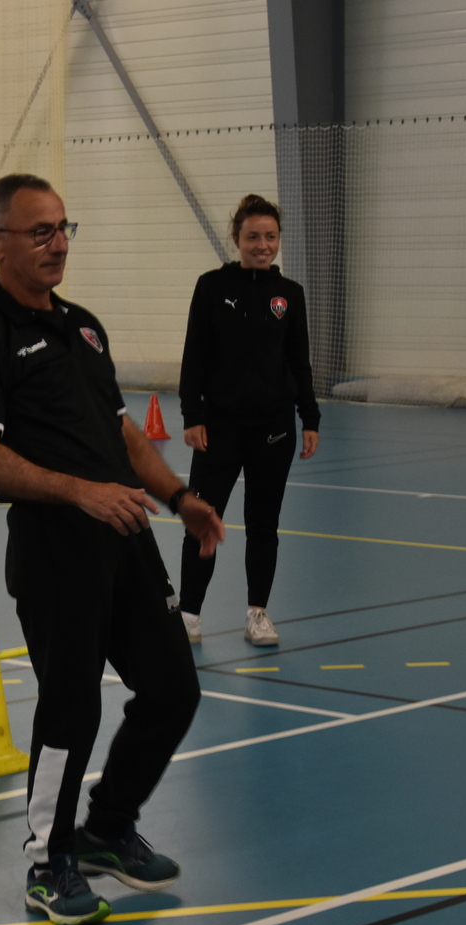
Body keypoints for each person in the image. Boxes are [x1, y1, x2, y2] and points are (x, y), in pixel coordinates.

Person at [0, 174, 225, 925]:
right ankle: (49, 864)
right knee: (71, 709)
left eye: (64, 227)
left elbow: (124, 432)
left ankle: (107, 827)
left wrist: (179, 496)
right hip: (54, 550)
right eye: (39, 231)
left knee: (173, 690)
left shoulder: (84, 327)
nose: (58, 243)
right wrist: (80, 492)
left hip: (127, 540)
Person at [176, 194, 321, 648]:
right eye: (253, 236)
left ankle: (257, 614)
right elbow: (194, 356)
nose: (262, 245)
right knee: (203, 519)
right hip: (218, 428)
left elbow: (299, 363)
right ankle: (189, 614)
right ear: (236, 238)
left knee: (264, 524)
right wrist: (192, 415)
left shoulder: (290, 295)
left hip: (273, 429)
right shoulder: (211, 287)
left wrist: (310, 417)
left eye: (270, 236)